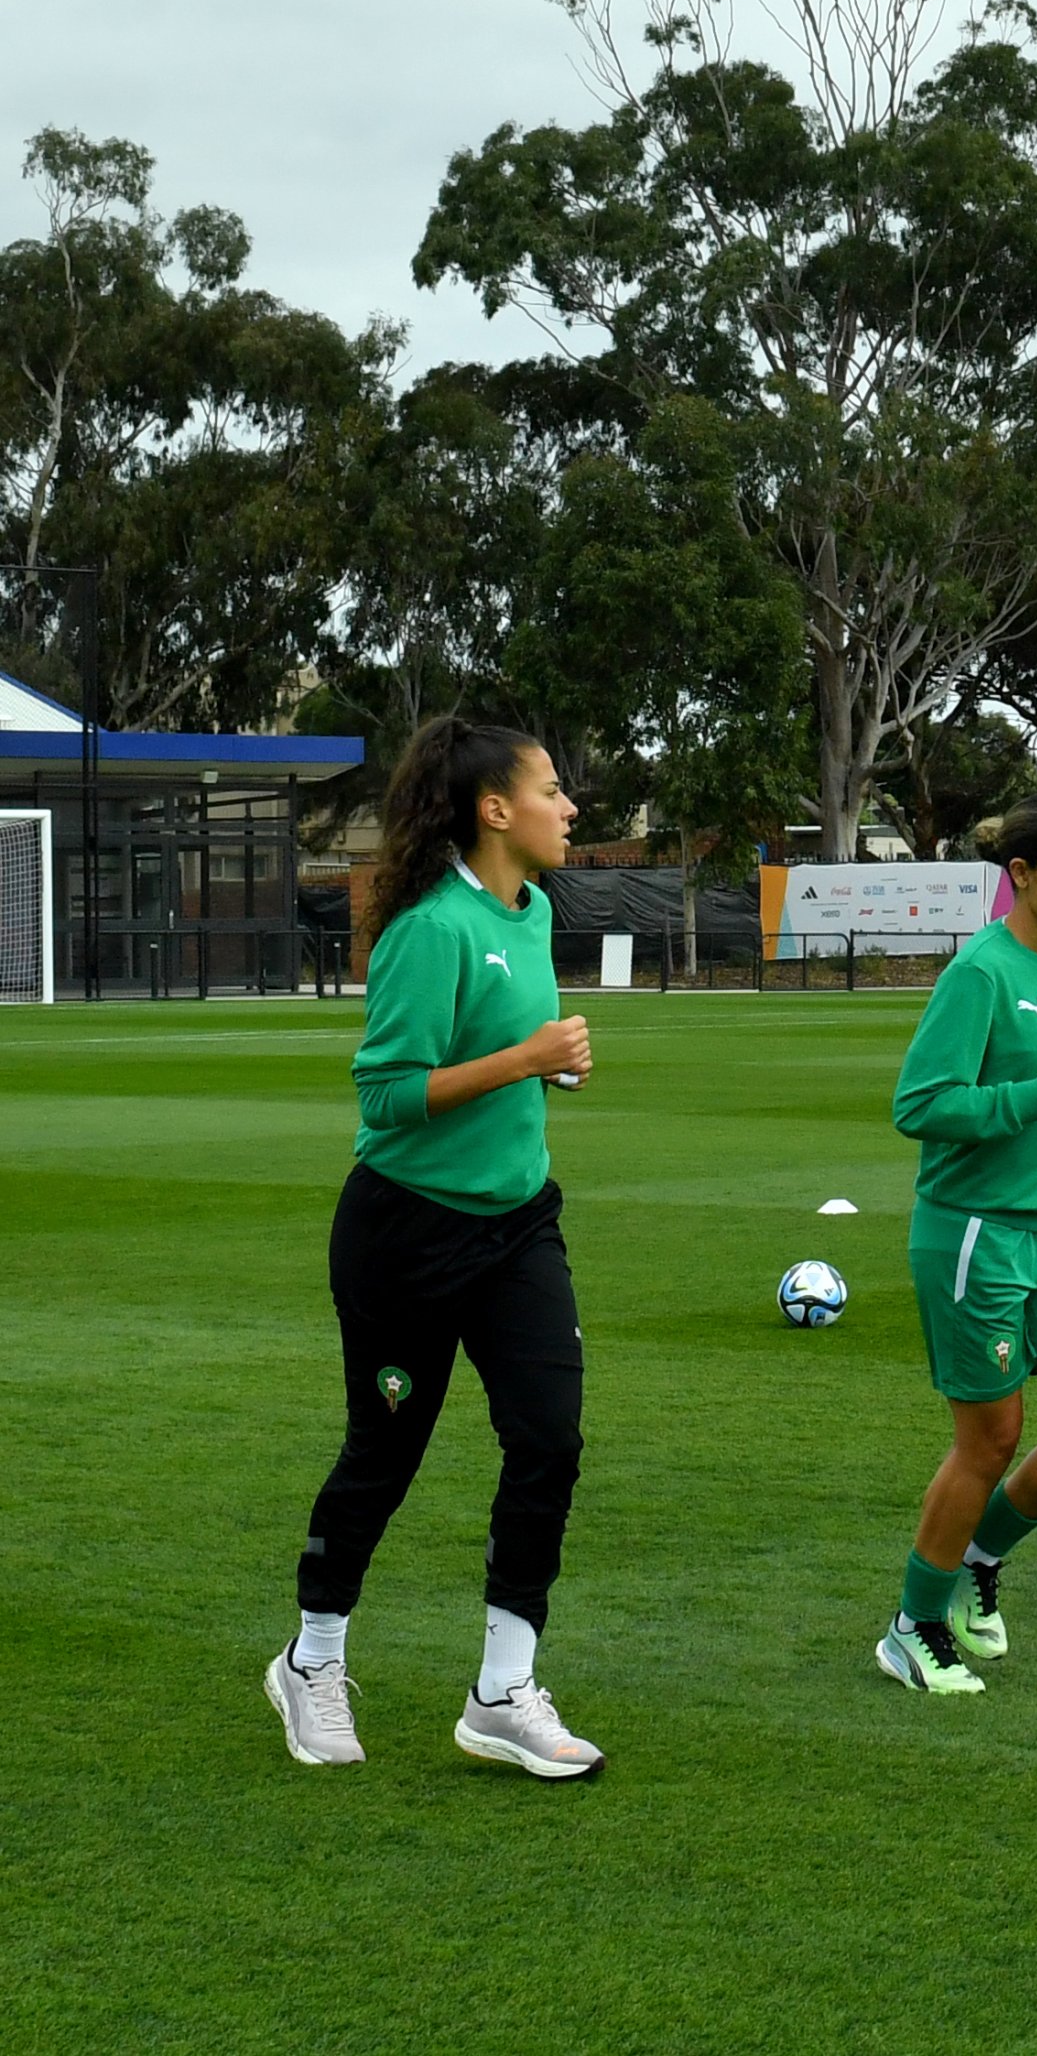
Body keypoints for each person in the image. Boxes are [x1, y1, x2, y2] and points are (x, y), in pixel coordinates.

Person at [264, 718, 604, 1779]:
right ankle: (311, 1660)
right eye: (551, 789)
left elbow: (493, 1055)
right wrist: (524, 1058)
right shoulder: (426, 928)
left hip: (517, 1226)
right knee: (386, 1452)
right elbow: (388, 1096)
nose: (570, 806)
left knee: (548, 1437)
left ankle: (504, 1689)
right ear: (493, 809)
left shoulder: (534, 910)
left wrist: (542, 1068)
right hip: (406, 1232)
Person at [880, 796, 1037, 1694]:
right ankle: (913, 1623)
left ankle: (981, 1560)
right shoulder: (981, 973)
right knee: (989, 1440)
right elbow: (920, 1106)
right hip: (976, 1236)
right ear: (1020, 876)